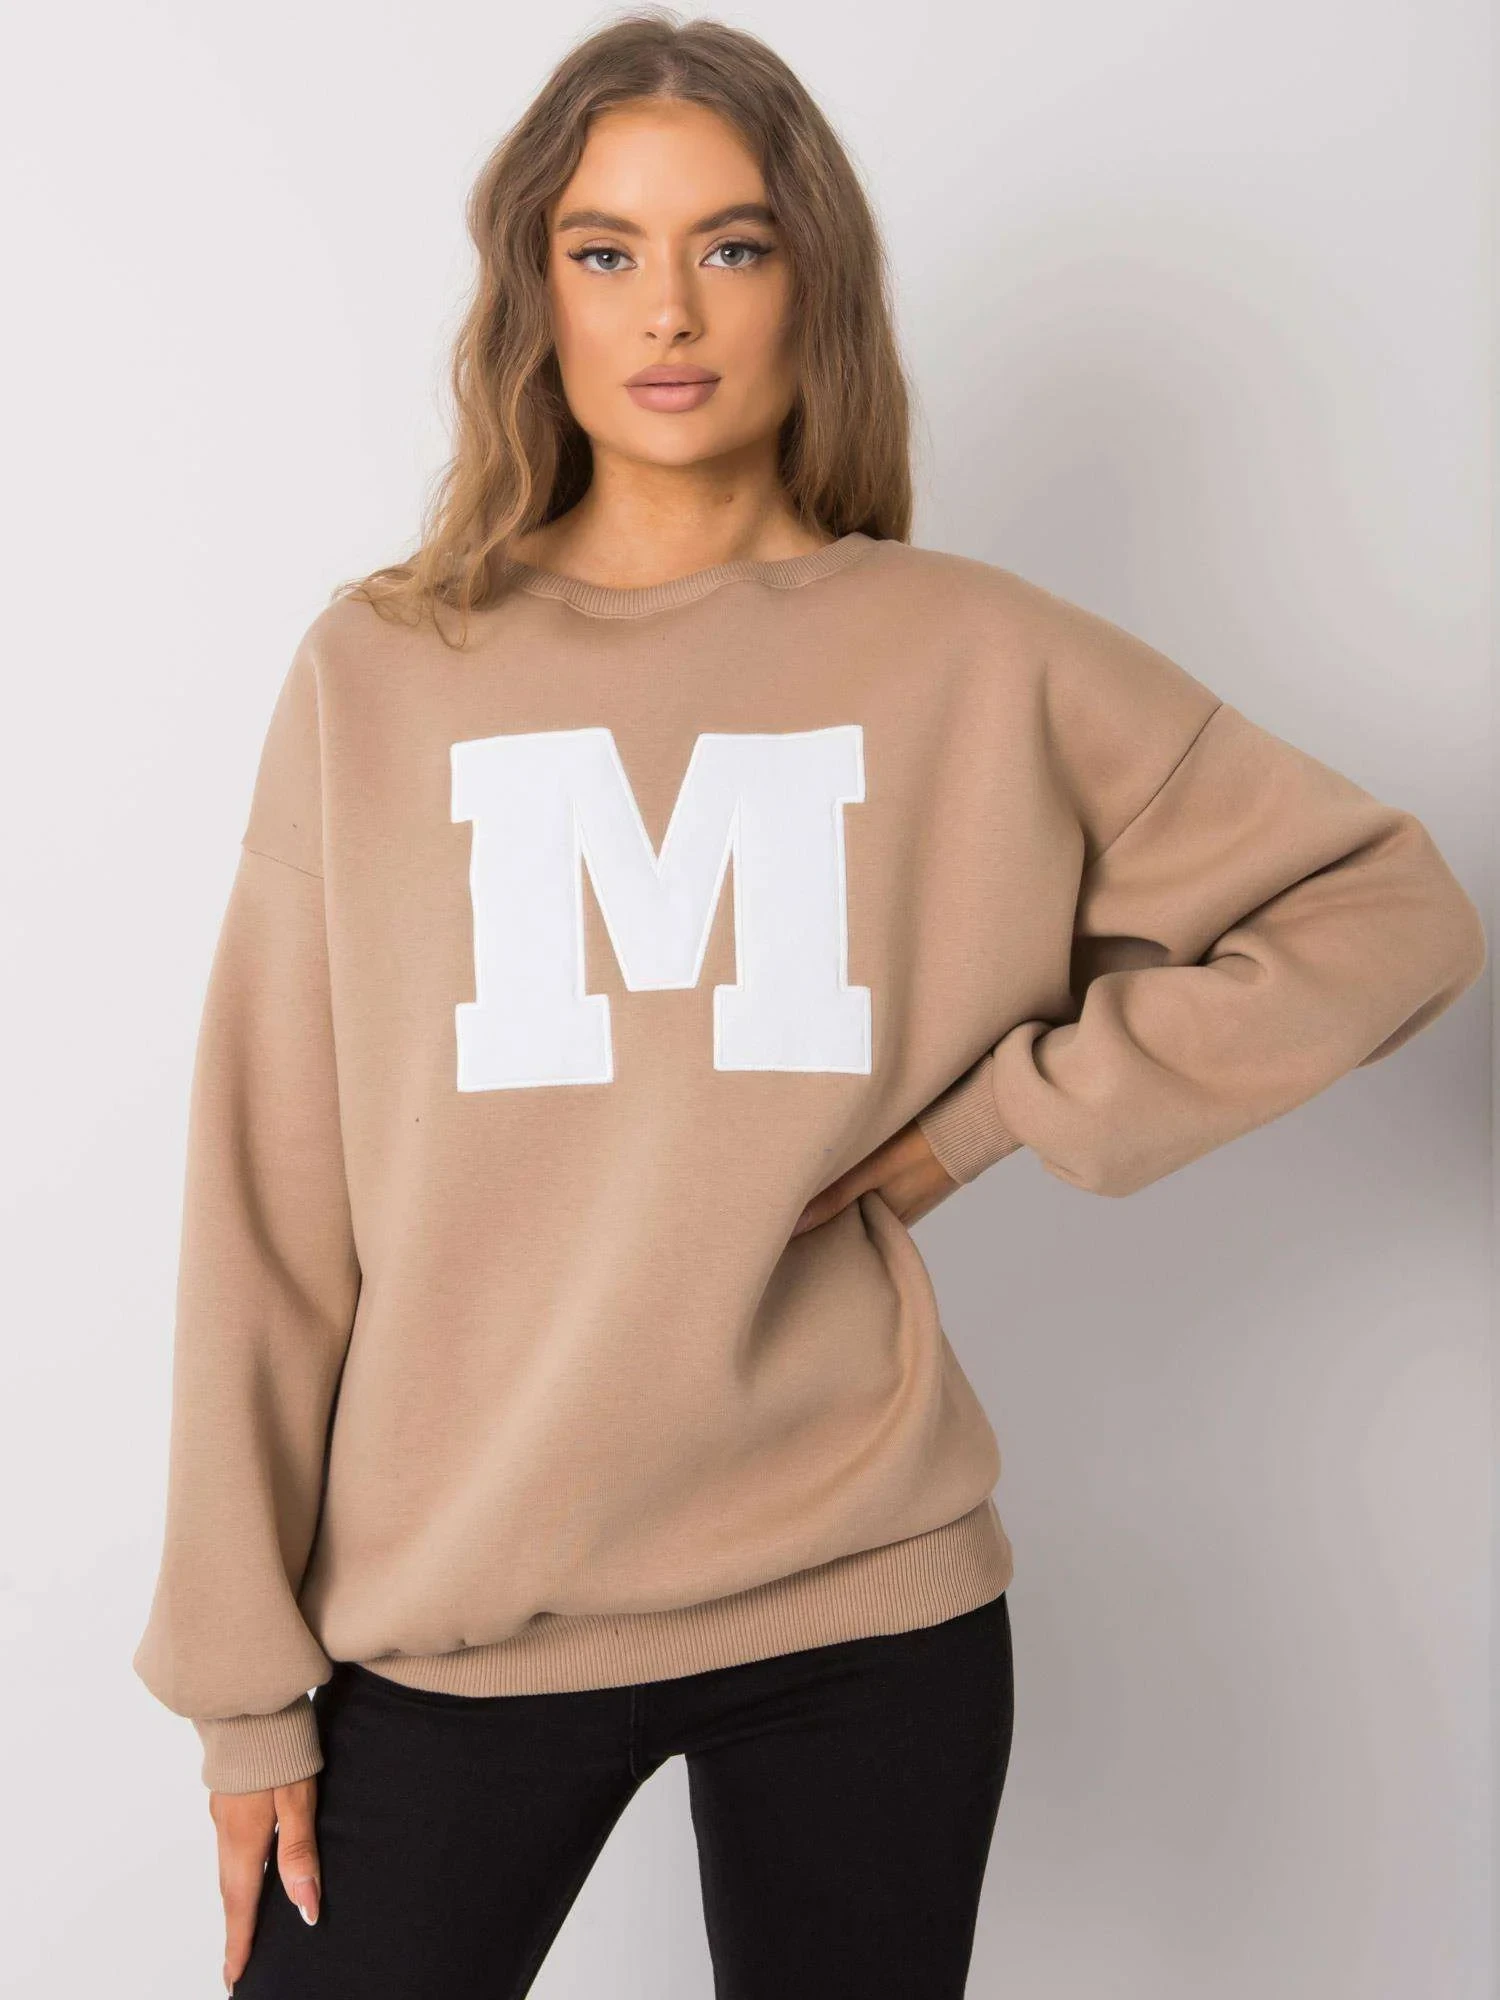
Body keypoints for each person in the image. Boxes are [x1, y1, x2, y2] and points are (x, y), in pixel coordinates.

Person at [130, 12, 1488, 1998]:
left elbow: (1391, 907)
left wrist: (997, 1116)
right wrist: (245, 1685)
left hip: (863, 1604)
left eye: (732, 245)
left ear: (811, 284)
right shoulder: (386, 670)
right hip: (454, 1615)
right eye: (605, 248)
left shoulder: (967, 654)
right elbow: (270, 1196)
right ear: (534, 291)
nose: (667, 308)